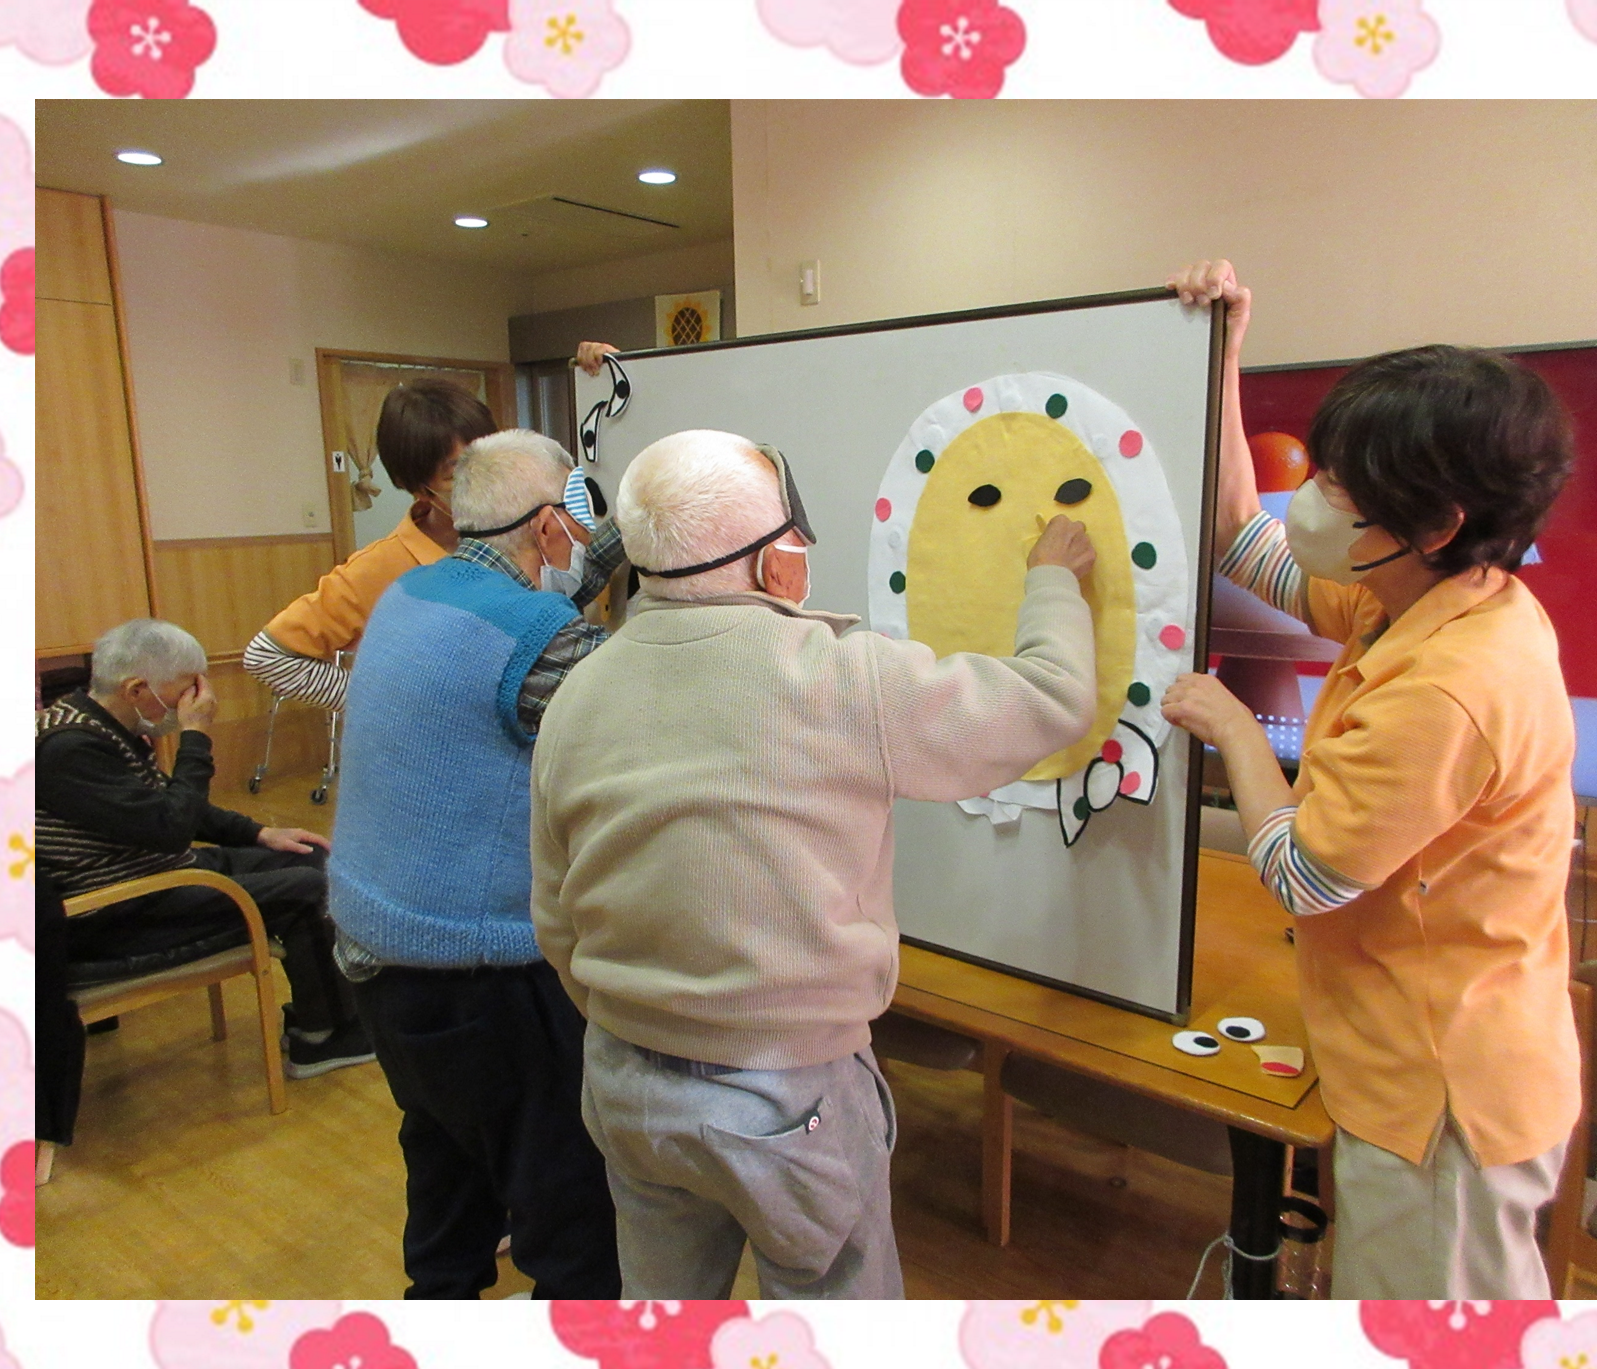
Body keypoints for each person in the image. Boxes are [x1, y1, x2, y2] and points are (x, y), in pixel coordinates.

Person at [530, 429, 1101, 1300]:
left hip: (624, 1080)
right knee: (835, 1330)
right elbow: (1051, 698)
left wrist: (648, 1018)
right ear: (773, 564)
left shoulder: (579, 691)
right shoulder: (840, 676)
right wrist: (1053, 578)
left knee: (662, 1317)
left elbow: (556, 918)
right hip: (786, 1091)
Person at [1158, 259, 1582, 1299]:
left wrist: (1232, 725)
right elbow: (1242, 539)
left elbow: (1302, 874)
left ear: (1433, 524)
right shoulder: (1424, 596)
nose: (1314, 499)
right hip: (1407, 1060)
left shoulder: (1452, 682)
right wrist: (1223, 353)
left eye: (1344, 488)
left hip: (1444, 1096)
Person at [327, 429, 627, 1300]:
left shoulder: (414, 590)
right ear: (545, 525)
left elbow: (541, 602)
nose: (577, 531)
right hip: (480, 975)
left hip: (380, 956)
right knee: (574, 1220)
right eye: (573, 512)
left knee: (448, 1178)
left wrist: (627, 537)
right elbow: (631, 707)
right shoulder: (540, 638)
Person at [36, 618, 372, 1078]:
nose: (200, 699)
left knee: (311, 857)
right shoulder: (69, 748)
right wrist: (195, 735)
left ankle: (328, 1013)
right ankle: (321, 1039)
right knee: (307, 890)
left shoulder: (99, 725)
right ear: (136, 689)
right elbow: (173, 826)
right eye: (188, 689)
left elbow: (166, 805)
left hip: (156, 870)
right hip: (116, 913)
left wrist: (259, 833)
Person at [243, 344, 617, 709]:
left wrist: (614, 375)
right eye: (459, 473)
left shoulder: (536, 524)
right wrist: (388, 700)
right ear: (419, 488)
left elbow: (584, 576)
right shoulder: (383, 568)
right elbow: (268, 656)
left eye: (490, 461)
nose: (484, 481)